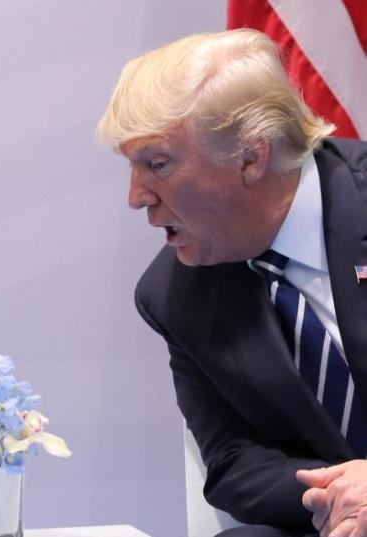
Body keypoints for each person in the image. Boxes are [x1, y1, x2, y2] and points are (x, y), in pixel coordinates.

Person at [97, 29, 367, 537]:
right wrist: (340, 495)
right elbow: (233, 461)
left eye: (157, 164)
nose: (136, 197)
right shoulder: (174, 295)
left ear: (250, 156)